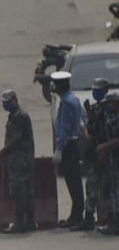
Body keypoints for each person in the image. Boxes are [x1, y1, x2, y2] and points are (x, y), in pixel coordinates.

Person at [50, 72, 87, 230]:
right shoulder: (74, 99)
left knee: (73, 182)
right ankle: (76, 214)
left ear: (59, 86)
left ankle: (76, 216)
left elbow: (64, 129)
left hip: (68, 145)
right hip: (75, 143)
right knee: (75, 181)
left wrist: (59, 149)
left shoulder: (66, 103)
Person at [0, 90, 37, 234]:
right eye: (4, 103)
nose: (6, 105)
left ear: (15, 100)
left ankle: (21, 222)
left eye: (8, 102)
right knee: (26, 191)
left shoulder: (20, 117)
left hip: (20, 160)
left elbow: (16, 139)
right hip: (21, 159)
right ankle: (30, 222)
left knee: (19, 192)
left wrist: (3, 151)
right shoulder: (14, 116)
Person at [82, 78, 109, 230]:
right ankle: (89, 217)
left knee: (105, 187)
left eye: (98, 90)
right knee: (91, 186)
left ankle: (105, 218)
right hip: (94, 153)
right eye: (94, 90)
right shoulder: (93, 109)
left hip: (105, 153)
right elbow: (90, 130)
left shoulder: (109, 110)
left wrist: (103, 152)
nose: (95, 93)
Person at [94, 92, 119, 234]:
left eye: (110, 103)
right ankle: (112, 221)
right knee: (112, 190)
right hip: (112, 160)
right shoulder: (111, 117)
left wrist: (105, 146)